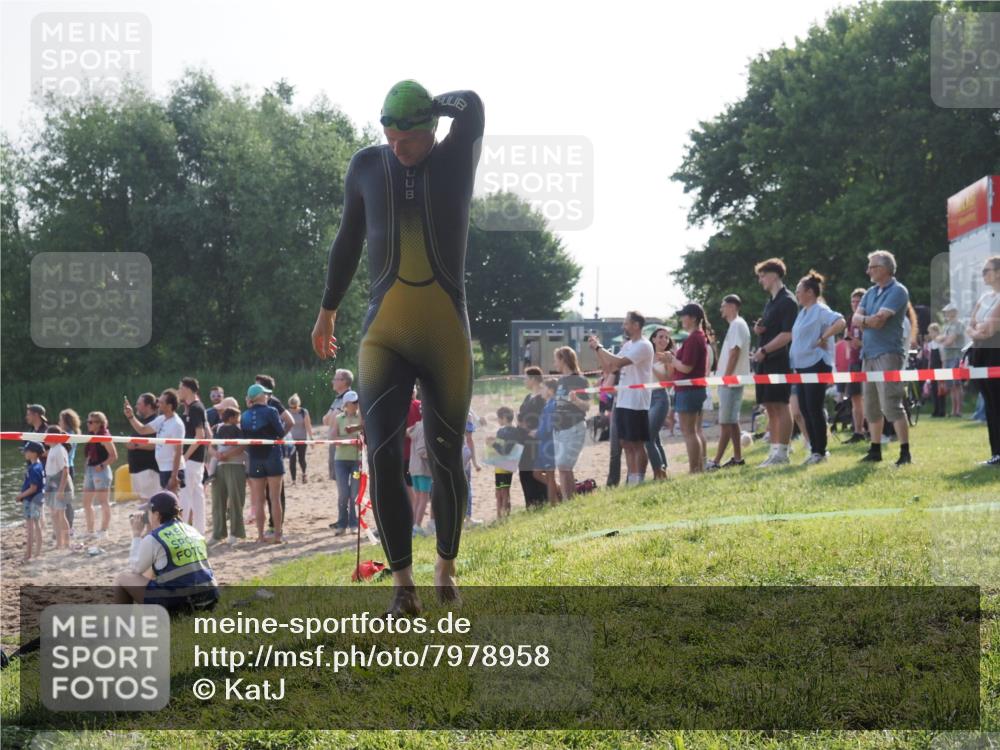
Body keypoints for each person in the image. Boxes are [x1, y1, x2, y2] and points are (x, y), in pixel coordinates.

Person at [310, 80, 485, 615]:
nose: (396, 147)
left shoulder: (457, 156)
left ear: (431, 130)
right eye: (388, 134)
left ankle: (446, 569)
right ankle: (402, 585)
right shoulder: (367, 165)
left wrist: (427, 109)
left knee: (447, 456)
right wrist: (327, 309)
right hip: (383, 334)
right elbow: (347, 239)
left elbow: (472, 104)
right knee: (382, 455)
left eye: (406, 137)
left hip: (445, 335)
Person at [852, 250, 912, 465]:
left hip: (888, 353)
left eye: (872, 266)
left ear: (885, 269)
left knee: (891, 404)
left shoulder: (898, 291)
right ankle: (875, 450)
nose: (868, 270)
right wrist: (868, 319)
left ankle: (905, 452)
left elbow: (878, 322)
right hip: (868, 354)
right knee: (871, 406)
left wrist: (864, 320)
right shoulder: (869, 293)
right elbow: (855, 319)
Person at [113, 490, 219, 611]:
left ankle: (121, 624)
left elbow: (135, 569)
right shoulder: (192, 530)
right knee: (154, 568)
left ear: (157, 515)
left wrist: (136, 535)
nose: (147, 516)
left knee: (122, 578)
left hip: (183, 605)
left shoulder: (154, 538)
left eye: (148, 513)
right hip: (210, 599)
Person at [589, 312, 652, 486]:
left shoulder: (644, 345)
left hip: (637, 400)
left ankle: (638, 478)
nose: (624, 326)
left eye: (626, 323)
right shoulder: (629, 345)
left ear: (636, 325)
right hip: (623, 399)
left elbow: (618, 362)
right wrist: (597, 349)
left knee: (637, 442)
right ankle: (632, 478)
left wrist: (600, 347)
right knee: (625, 442)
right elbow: (610, 367)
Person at [790, 271, 846, 464]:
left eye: (799, 291)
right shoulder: (802, 313)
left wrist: (824, 337)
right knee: (805, 408)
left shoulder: (820, 309)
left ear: (810, 292)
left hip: (817, 364)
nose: (796, 294)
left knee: (813, 407)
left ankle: (820, 451)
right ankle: (814, 449)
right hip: (802, 366)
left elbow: (840, 322)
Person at [750, 258, 798, 466]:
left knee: (780, 405)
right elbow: (774, 329)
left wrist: (764, 350)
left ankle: (783, 453)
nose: (760, 280)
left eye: (763, 275)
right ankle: (774, 450)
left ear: (775, 274)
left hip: (778, 361)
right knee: (769, 406)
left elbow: (787, 335)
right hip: (765, 362)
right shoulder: (770, 301)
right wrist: (761, 330)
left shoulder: (788, 300)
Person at [661, 303, 712, 473]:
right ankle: (699, 467)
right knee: (693, 430)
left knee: (689, 431)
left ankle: (694, 469)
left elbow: (686, 367)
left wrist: (672, 360)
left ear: (693, 318)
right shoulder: (698, 336)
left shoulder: (693, 338)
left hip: (689, 390)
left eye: (684, 315)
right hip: (693, 390)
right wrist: (675, 358)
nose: (682, 318)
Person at [707, 295, 751, 470]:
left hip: (731, 381)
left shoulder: (737, 325)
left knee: (725, 422)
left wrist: (726, 377)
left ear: (732, 306)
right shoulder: (736, 325)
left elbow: (735, 353)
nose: (721, 310)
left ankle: (716, 461)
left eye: (723, 306)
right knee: (732, 421)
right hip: (731, 380)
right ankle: (738, 458)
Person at [965, 255, 1000, 466]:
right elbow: (970, 326)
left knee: (997, 401)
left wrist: (977, 330)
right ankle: (996, 452)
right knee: (989, 403)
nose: (983, 275)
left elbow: (988, 330)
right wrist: (977, 330)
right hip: (980, 353)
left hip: (995, 353)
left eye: (986, 270)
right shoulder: (985, 297)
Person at [241, 383, 286, 543]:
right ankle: (278, 535)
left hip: (255, 458)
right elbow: (281, 432)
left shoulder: (244, 415)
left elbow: (245, 438)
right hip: (272, 456)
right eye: (265, 394)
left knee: (259, 500)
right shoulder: (271, 411)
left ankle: (260, 536)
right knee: (274, 498)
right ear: (260, 396)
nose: (268, 396)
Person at [549, 346, 592, 498]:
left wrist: (576, 401)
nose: (555, 364)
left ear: (563, 360)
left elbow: (586, 406)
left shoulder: (579, 380)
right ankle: (570, 500)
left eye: (556, 360)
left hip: (573, 427)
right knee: (563, 468)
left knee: (564, 466)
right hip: (559, 430)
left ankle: (569, 499)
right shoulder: (561, 381)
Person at [124, 390, 185, 492]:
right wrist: (130, 416)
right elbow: (142, 430)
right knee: (168, 503)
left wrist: (174, 476)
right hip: (163, 468)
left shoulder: (176, 424)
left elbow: (178, 452)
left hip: (172, 470)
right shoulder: (161, 419)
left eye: (161, 402)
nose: (158, 404)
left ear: (169, 406)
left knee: (175, 503)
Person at [176, 377, 209, 534]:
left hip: (192, 460)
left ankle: (186, 533)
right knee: (197, 496)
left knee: (186, 496)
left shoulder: (196, 407)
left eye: (180, 388)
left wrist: (185, 456)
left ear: (188, 389)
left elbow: (200, 436)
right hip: (196, 460)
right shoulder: (194, 407)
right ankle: (199, 532)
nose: (178, 391)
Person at [209, 406, 246, 545]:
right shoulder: (217, 428)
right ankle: (218, 533)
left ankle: (235, 533)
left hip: (235, 465)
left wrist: (226, 455)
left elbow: (242, 446)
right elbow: (210, 446)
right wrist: (217, 455)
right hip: (219, 466)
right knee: (217, 500)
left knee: (236, 499)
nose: (238, 419)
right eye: (237, 416)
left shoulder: (239, 429)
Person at [331, 390, 363, 536]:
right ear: (346, 404)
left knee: (354, 493)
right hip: (341, 461)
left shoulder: (361, 417)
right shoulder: (338, 418)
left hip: (357, 461)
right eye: (353, 403)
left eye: (357, 402)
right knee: (343, 493)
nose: (356, 405)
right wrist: (345, 441)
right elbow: (333, 438)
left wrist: (359, 442)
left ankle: (353, 523)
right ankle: (342, 523)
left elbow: (365, 433)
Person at [516, 367, 548, 508]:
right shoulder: (528, 397)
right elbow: (520, 415)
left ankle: (542, 500)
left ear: (534, 379)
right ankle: (531, 503)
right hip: (524, 440)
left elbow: (546, 418)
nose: (524, 381)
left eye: (526, 378)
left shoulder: (543, 397)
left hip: (536, 440)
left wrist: (534, 430)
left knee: (536, 471)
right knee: (524, 472)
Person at [82, 411, 117, 539]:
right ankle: (90, 531)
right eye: (87, 421)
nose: (88, 424)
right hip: (91, 470)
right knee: (86, 502)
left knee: (103, 502)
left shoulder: (104, 436)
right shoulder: (92, 436)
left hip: (101, 471)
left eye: (91, 422)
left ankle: (104, 530)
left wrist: (102, 465)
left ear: (99, 423)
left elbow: (114, 456)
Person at [645, 327, 673, 478]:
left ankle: (658, 472)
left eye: (666, 338)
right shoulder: (647, 354)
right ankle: (664, 469)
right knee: (655, 439)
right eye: (661, 337)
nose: (664, 340)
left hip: (660, 397)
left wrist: (651, 366)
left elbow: (667, 381)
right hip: (645, 398)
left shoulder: (668, 356)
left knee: (648, 437)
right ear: (653, 339)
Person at [842, 289, 868, 443]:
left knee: (870, 398)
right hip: (853, 363)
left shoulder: (866, 319)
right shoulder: (850, 319)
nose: (855, 304)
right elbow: (848, 343)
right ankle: (858, 431)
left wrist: (860, 344)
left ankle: (872, 431)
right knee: (855, 399)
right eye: (853, 301)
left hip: (865, 361)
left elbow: (874, 343)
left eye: (858, 302)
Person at [323, 369, 355, 488]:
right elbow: (325, 420)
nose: (332, 381)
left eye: (335, 379)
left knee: (349, 483)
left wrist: (333, 416)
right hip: (335, 442)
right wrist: (333, 415)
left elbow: (334, 419)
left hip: (346, 446)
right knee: (339, 482)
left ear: (344, 381)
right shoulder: (337, 399)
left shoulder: (351, 398)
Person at [127, 393, 161, 503]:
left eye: (139, 404)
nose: (136, 406)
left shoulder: (155, 421)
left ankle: (150, 520)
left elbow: (155, 444)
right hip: (137, 468)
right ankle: (147, 520)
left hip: (148, 468)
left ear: (148, 406)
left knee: (150, 502)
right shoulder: (141, 422)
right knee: (143, 501)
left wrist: (135, 445)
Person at [44, 426, 72, 550]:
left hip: (59, 483)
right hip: (51, 482)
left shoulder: (60, 449)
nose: (44, 437)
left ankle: (67, 542)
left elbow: (65, 471)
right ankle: (59, 543)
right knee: (54, 514)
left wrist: (61, 489)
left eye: (47, 435)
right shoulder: (52, 449)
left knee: (61, 514)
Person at [533, 379, 560, 502]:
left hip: (548, 445)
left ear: (550, 390)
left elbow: (548, 428)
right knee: (536, 473)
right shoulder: (547, 405)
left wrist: (536, 433)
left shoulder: (552, 405)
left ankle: (553, 504)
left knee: (550, 476)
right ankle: (560, 490)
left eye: (543, 388)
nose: (541, 391)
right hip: (542, 445)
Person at [18, 442, 46, 561]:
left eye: (27, 451)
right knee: (37, 525)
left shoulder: (34, 468)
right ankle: (38, 552)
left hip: (31, 500)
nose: (25, 453)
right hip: (38, 500)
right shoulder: (39, 466)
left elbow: (33, 488)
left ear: (34, 453)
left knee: (30, 528)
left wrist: (20, 496)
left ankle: (28, 554)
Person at [407, 405, 432, 534]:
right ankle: (417, 525)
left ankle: (415, 525)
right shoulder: (425, 427)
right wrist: (434, 456)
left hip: (414, 467)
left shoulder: (416, 426)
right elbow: (422, 450)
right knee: (424, 497)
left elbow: (407, 432)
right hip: (423, 468)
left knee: (418, 497)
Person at [939, 303, 966, 417]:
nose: (946, 314)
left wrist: (943, 340)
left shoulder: (959, 324)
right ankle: (953, 411)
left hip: (956, 356)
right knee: (951, 386)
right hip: (947, 357)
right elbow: (939, 338)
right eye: (946, 312)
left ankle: (958, 411)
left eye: (948, 312)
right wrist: (943, 340)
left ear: (954, 312)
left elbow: (948, 341)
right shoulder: (946, 325)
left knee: (957, 385)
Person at [492, 406, 518, 518]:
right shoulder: (501, 431)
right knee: (498, 492)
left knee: (504, 491)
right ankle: (499, 516)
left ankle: (505, 516)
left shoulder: (512, 432)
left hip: (506, 465)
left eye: (498, 418)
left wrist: (492, 444)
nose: (498, 421)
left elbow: (505, 450)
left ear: (503, 418)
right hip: (499, 465)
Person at [58, 408, 81, 532]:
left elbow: (65, 451)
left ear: (65, 421)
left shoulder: (68, 434)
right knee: (65, 499)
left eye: (60, 420)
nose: (59, 422)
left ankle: (69, 526)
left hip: (67, 467)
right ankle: (66, 525)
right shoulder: (71, 433)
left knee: (66, 499)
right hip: (68, 466)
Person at [286, 394, 314, 484]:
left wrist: (311, 438)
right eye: (291, 407)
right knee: (292, 460)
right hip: (291, 441)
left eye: (295, 407)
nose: (293, 409)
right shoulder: (287, 412)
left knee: (302, 458)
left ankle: (304, 474)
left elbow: (308, 425)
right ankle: (293, 480)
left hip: (302, 439)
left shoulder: (303, 412)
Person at [926, 323, 947, 418]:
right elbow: (930, 358)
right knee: (934, 390)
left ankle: (942, 410)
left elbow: (943, 357)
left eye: (932, 332)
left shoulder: (940, 343)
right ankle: (936, 410)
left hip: (939, 368)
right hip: (932, 369)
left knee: (941, 390)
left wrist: (943, 368)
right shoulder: (930, 344)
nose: (930, 334)